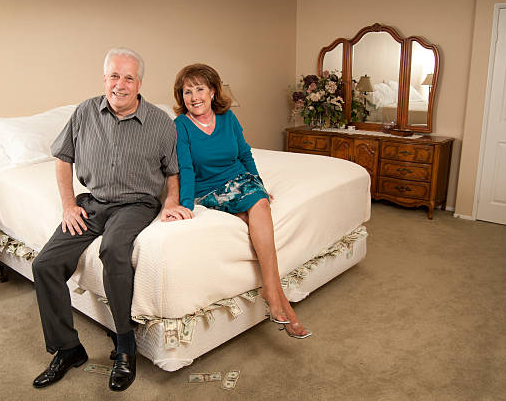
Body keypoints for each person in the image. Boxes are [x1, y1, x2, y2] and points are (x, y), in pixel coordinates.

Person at [31, 48, 192, 392]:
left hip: (135, 204)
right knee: (45, 264)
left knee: (114, 249)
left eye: (128, 77)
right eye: (114, 76)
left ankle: (124, 345)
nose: (120, 84)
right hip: (92, 202)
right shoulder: (84, 112)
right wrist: (67, 205)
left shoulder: (160, 122)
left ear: (139, 83)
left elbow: (172, 171)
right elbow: (63, 159)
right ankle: (68, 348)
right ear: (104, 78)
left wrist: (172, 202)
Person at [173, 63, 311, 339]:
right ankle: (277, 294)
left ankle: (272, 291)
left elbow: (245, 154)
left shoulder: (228, 118)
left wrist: (258, 184)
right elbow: (185, 169)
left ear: (213, 92)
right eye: (187, 91)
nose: (194, 96)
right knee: (250, 213)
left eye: (200, 89)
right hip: (208, 189)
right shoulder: (180, 126)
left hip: (239, 179)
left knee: (258, 203)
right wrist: (186, 205)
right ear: (181, 97)